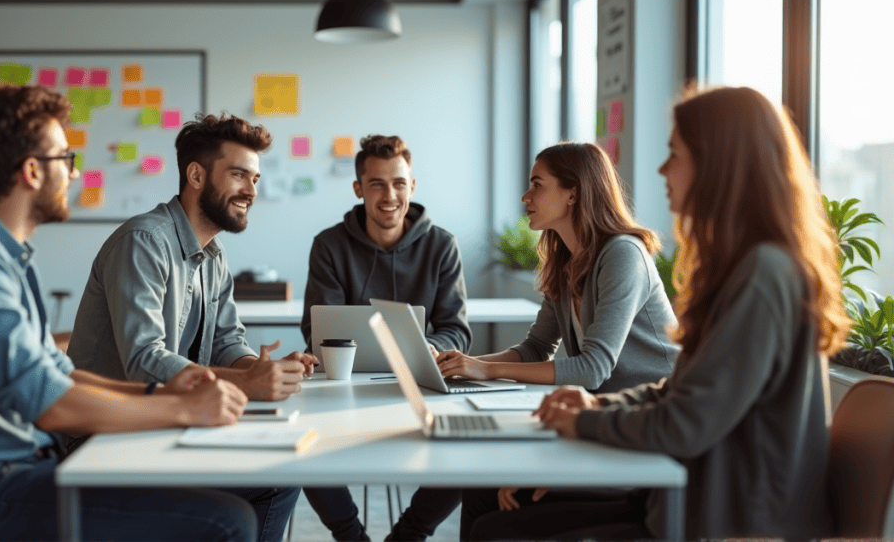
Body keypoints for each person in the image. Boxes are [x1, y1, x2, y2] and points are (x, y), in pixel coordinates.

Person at [462, 86, 851, 540]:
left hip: (731, 518)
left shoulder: (763, 273)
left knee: (498, 529)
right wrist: (597, 405)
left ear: (717, 163)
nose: (662, 168)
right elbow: (678, 393)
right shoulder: (744, 267)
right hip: (687, 490)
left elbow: (686, 421)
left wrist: (585, 421)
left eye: (674, 154)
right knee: (492, 518)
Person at [0, 85, 257, 542]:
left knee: (242, 495)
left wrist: (159, 389)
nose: (75, 175)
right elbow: (52, 405)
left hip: (19, 475)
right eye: (67, 159)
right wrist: (181, 408)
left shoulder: (4, 256)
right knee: (225, 521)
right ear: (32, 171)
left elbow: (63, 373)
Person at [67, 112, 305, 542]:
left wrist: (260, 368)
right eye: (238, 175)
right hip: (104, 438)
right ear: (196, 175)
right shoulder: (144, 242)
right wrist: (249, 382)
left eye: (254, 178)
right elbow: (144, 360)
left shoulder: (213, 255)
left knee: (281, 476)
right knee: (260, 493)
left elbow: (227, 340)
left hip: (164, 423)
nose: (252, 190)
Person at [300, 135, 471, 542]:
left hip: (419, 381)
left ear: (412, 186)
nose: (389, 194)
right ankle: (350, 536)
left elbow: (456, 330)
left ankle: (409, 535)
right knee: (301, 445)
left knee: (468, 449)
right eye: (376, 183)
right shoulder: (329, 245)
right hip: (345, 385)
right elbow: (318, 329)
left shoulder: (442, 245)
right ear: (358, 189)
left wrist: (433, 348)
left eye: (398, 183)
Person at [436, 142, 679, 391]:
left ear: (573, 194)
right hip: (610, 408)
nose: (525, 196)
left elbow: (593, 369)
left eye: (537, 185)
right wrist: (462, 364)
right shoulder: (566, 261)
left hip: (662, 408)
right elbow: (536, 348)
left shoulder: (624, 254)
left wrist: (486, 370)